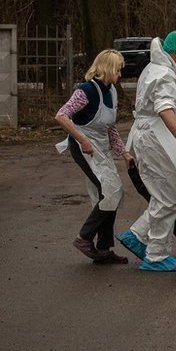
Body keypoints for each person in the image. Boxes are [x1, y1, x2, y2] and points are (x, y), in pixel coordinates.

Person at [115, 30, 176, 272]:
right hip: (156, 138)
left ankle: (137, 235)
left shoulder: (153, 68)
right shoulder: (164, 74)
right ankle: (156, 255)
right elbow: (164, 108)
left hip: (146, 135)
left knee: (162, 194)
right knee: (169, 198)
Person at [54, 49, 135, 264]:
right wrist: (82, 139)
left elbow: (110, 128)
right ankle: (84, 238)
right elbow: (61, 116)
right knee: (111, 192)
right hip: (84, 148)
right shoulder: (85, 91)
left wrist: (124, 152)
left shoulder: (112, 91)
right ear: (108, 68)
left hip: (101, 147)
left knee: (109, 194)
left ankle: (104, 250)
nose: (120, 74)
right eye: (118, 70)